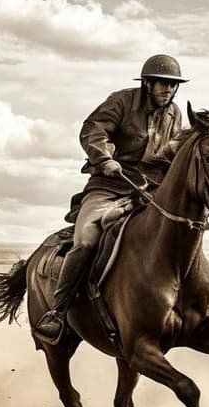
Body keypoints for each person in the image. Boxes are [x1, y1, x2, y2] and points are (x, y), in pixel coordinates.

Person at [34, 54, 189, 344]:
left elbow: (171, 153)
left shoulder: (175, 115)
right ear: (147, 83)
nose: (168, 89)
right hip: (110, 186)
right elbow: (93, 130)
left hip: (150, 192)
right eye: (162, 83)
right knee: (86, 241)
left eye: (172, 85)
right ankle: (58, 311)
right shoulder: (121, 101)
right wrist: (104, 158)